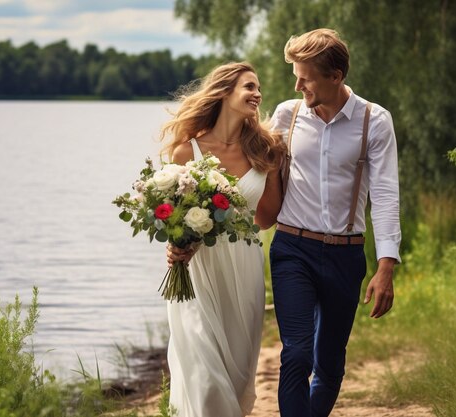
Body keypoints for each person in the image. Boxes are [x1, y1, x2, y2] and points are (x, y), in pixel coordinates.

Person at [269, 28, 401, 416]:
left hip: (346, 256)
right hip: (292, 249)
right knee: (296, 354)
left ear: (335, 76)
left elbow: (386, 195)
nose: (297, 85)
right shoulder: (285, 116)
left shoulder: (374, 121)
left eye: (305, 77)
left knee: (329, 365)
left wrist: (386, 266)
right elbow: (253, 170)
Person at [160, 62, 285, 416]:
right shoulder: (188, 151)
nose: (257, 94)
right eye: (249, 86)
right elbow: (173, 215)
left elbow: (266, 218)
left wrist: (273, 167)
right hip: (197, 269)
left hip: (244, 266)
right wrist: (175, 243)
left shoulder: (265, 150)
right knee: (203, 368)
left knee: (237, 371)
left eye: (258, 88)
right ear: (224, 92)